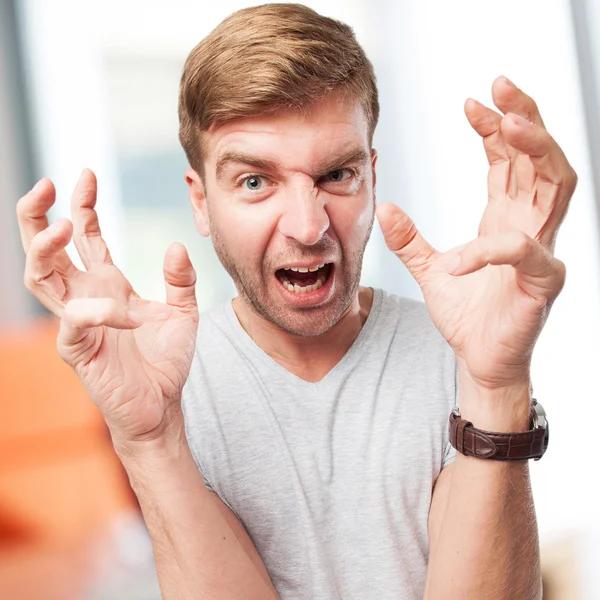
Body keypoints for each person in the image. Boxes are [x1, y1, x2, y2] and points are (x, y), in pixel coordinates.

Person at [16, 3, 577, 599]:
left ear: (372, 175)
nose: (308, 227)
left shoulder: (456, 351)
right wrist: (151, 444)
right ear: (201, 201)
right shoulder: (162, 386)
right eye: (255, 182)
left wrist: (497, 387)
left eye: (337, 174)